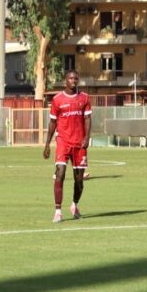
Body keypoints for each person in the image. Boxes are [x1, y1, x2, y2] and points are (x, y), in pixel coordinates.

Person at [42, 70, 92, 223]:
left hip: (79, 143)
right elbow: (52, 123)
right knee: (60, 172)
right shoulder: (57, 100)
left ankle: (74, 205)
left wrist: (87, 138)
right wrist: (47, 144)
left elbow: (88, 119)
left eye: (76, 78)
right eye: (71, 78)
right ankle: (58, 211)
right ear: (65, 80)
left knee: (79, 180)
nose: (74, 80)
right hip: (63, 141)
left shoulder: (84, 98)